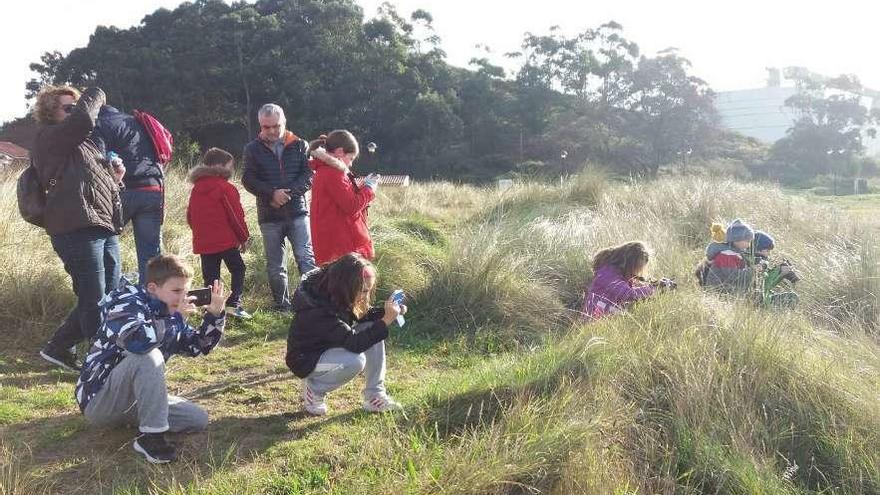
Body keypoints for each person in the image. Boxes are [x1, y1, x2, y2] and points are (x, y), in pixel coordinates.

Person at [74, 255, 226, 464]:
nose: (183, 297)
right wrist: (177, 318)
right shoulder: (126, 303)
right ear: (153, 288)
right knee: (148, 356)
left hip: (134, 400)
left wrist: (216, 316)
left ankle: (145, 421)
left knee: (196, 418)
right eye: (176, 291)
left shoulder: (170, 312)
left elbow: (198, 347)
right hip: (100, 403)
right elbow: (139, 342)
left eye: (186, 290)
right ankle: (152, 439)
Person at [30, 85, 124, 371]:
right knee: (95, 296)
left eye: (76, 106)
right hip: (74, 227)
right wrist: (96, 91)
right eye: (68, 108)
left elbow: (95, 185)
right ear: (50, 113)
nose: (76, 112)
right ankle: (102, 363)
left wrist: (115, 177)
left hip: (100, 225)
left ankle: (58, 348)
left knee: (108, 292)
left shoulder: (84, 144)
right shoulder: (50, 137)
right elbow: (84, 119)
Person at [285, 253, 405, 416]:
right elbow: (354, 343)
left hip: (328, 348)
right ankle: (315, 389)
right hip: (306, 360)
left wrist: (387, 313)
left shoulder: (335, 292)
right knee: (355, 361)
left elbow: (363, 316)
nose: (366, 297)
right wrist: (386, 321)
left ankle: (374, 396)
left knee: (372, 327)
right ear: (347, 286)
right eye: (363, 291)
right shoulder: (318, 310)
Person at [242, 103, 316, 312]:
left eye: (276, 125)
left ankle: (312, 304)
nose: (272, 130)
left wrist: (287, 194)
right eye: (267, 127)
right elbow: (248, 179)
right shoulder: (252, 149)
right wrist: (271, 194)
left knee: (306, 257)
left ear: (284, 122)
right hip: (269, 215)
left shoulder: (301, 145)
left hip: (298, 212)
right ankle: (282, 307)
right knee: (275, 265)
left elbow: (309, 175)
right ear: (260, 126)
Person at [93, 103, 164, 284]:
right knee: (151, 252)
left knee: (105, 242)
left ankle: (111, 294)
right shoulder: (139, 121)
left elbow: (97, 161)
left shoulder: (99, 124)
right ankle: (154, 303)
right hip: (153, 189)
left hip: (123, 189)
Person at [186, 148, 252, 319]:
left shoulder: (196, 189)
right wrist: (243, 237)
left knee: (211, 277)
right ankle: (233, 304)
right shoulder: (226, 188)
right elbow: (236, 217)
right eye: (230, 166)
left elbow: (190, 217)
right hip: (226, 241)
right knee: (238, 268)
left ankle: (211, 310)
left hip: (204, 242)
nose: (231, 169)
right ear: (219, 166)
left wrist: (201, 233)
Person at [308, 131, 380, 265]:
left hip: (334, 244)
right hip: (342, 247)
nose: (351, 164)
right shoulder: (333, 173)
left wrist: (362, 187)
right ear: (340, 152)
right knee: (349, 285)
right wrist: (369, 188)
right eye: (351, 158)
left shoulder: (325, 170)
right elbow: (351, 206)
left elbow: (344, 198)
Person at [581, 241, 672, 319]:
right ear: (629, 263)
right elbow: (628, 294)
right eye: (637, 268)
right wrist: (654, 288)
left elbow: (634, 290)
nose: (637, 272)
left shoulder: (619, 274)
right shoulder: (608, 273)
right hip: (594, 318)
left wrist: (657, 285)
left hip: (606, 314)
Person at [696, 219, 756, 292]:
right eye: (747, 241)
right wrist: (753, 271)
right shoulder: (727, 255)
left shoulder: (734, 253)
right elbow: (733, 276)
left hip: (727, 288)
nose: (749, 244)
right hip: (720, 291)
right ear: (737, 239)